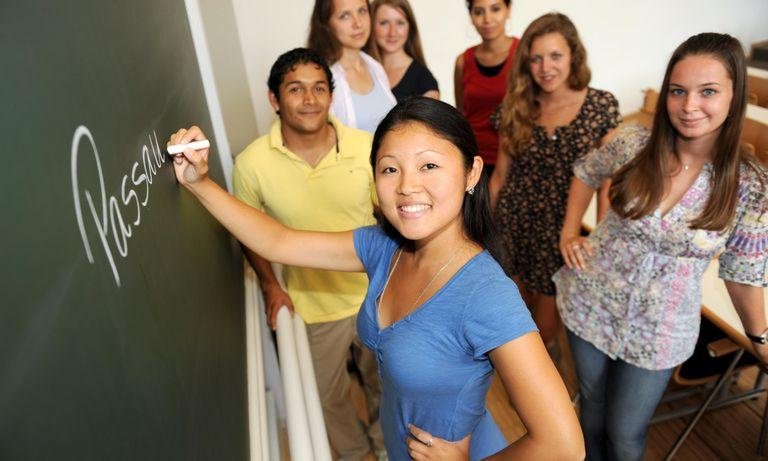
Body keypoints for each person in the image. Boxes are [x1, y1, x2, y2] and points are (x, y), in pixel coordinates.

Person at [168, 97, 584, 460]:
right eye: (390, 169)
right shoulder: (384, 246)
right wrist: (199, 183)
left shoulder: (487, 294)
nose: (407, 187)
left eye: (429, 165)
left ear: (472, 173)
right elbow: (279, 242)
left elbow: (564, 445)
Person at [553, 33, 768, 461]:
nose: (689, 106)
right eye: (678, 91)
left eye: (708, 92)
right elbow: (586, 171)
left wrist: (760, 338)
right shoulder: (634, 143)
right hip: (591, 301)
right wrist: (568, 233)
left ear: (734, 95)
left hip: (662, 328)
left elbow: (742, 272)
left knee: (626, 433)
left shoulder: (749, 186)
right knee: (590, 415)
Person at [232, 48, 384, 460]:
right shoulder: (251, 164)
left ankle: (386, 448)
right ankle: (358, 455)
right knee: (327, 399)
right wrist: (268, 285)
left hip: (377, 296)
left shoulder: (366, 147)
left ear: (331, 97)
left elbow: (389, 216)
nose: (310, 99)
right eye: (296, 89)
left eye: (319, 88)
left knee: (385, 384)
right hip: (314, 308)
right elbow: (249, 231)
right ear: (274, 99)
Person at [490, 13, 620, 356]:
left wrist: (603, 241)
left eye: (555, 56)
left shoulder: (600, 105)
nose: (546, 67)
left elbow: (610, 182)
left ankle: (545, 376)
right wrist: (482, 230)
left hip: (562, 231)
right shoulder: (517, 105)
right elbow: (500, 177)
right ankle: (522, 380)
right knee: (515, 318)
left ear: (573, 56)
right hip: (513, 223)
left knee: (545, 327)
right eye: (536, 58)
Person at [308, 0, 397, 133]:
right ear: (326, 24)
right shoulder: (321, 78)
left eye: (362, 11)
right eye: (345, 15)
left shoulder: (375, 67)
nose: (358, 23)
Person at [454, 0, 518, 172]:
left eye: (495, 9)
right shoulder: (463, 61)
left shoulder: (523, 55)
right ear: (471, 16)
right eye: (479, 12)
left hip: (515, 160)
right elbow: (462, 114)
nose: (487, 19)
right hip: (473, 160)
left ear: (508, 10)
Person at [371, 0, 439, 102]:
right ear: (370, 25)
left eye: (400, 23)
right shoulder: (361, 69)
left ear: (410, 27)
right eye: (384, 23)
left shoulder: (424, 80)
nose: (392, 32)